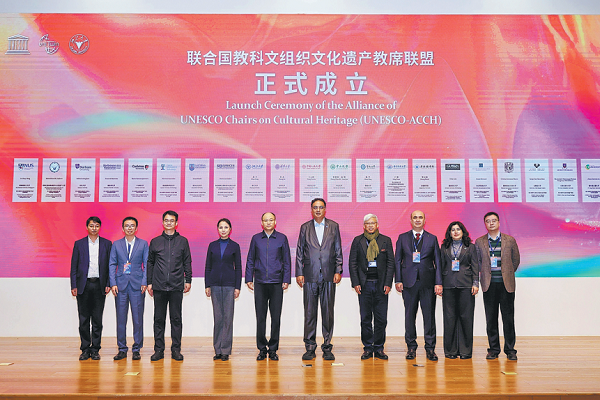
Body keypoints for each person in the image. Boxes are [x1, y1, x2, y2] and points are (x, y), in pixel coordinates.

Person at [296, 198, 343, 361]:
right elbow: (300, 251)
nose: (318, 210)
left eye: (321, 207)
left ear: (325, 209)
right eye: (315, 207)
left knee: (328, 313)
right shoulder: (305, 227)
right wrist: (299, 272)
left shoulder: (334, 226)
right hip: (310, 275)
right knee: (310, 313)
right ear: (311, 210)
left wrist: (338, 270)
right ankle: (310, 348)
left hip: (329, 275)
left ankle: (327, 347)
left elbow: (338, 249)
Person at [395, 210, 442, 361]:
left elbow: (438, 262)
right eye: (415, 217)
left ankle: (430, 349)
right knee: (410, 316)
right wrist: (398, 280)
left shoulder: (432, 238)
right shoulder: (402, 238)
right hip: (408, 283)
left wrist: (438, 282)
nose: (417, 220)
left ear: (424, 220)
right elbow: (397, 260)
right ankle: (411, 347)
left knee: (429, 317)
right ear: (410, 220)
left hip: (428, 283)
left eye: (420, 217)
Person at [245, 212, 291, 361]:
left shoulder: (282, 238)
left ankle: (273, 349)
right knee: (261, 317)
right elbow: (250, 259)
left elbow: (287, 260)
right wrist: (248, 278)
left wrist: (286, 279)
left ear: (275, 222)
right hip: (260, 283)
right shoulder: (256, 239)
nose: (268, 222)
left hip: (276, 282)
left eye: (271, 220)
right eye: (266, 220)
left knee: (275, 318)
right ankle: (261, 349)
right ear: (262, 223)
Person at [475, 212, 520, 361]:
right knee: (491, 319)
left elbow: (515, 260)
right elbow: (477, 262)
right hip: (489, 285)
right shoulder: (479, 242)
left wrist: (506, 272)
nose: (491, 223)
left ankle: (510, 350)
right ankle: (493, 349)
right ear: (485, 224)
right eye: (488, 221)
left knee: (508, 319)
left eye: (494, 220)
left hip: (506, 285)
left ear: (499, 222)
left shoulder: (510, 240)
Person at [147, 210, 192, 362]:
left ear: (176, 223)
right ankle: (158, 350)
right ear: (163, 222)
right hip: (159, 286)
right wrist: (149, 282)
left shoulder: (183, 241)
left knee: (176, 319)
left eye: (172, 220)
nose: (169, 223)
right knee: (159, 320)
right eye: (166, 220)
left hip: (176, 286)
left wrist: (188, 280)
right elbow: (150, 262)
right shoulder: (155, 241)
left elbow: (187, 262)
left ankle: (176, 350)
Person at [348, 214, 395, 360]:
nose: (370, 225)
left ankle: (379, 348)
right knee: (365, 319)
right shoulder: (358, 241)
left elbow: (390, 263)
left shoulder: (385, 240)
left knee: (381, 319)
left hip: (381, 285)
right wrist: (356, 283)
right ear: (364, 226)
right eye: (368, 223)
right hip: (364, 285)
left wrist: (388, 283)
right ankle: (368, 348)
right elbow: (353, 263)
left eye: (373, 223)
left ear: (377, 225)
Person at [70, 216, 112, 360]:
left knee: (97, 319)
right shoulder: (79, 244)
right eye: (92, 225)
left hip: (99, 285)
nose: (94, 228)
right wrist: (74, 285)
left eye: (97, 226)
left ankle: (95, 349)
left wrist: (108, 283)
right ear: (87, 227)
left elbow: (110, 266)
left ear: (100, 227)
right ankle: (85, 349)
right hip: (83, 285)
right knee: (83, 319)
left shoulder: (107, 244)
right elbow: (74, 266)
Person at [109, 216, 149, 361]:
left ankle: (137, 348)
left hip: (138, 286)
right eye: (127, 225)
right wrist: (113, 283)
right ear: (123, 228)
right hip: (120, 286)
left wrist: (144, 282)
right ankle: (122, 348)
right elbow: (112, 264)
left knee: (137, 319)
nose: (129, 228)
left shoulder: (143, 244)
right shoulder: (116, 244)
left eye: (132, 225)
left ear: (136, 228)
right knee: (121, 319)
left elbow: (147, 264)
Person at [440, 221, 480, 359]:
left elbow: (475, 265)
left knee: (466, 317)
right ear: (449, 233)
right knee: (449, 318)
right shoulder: (444, 247)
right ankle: (450, 351)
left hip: (466, 285)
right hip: (448, 285)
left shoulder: (471, 247)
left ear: (463, 232)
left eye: (458, 229)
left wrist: (475, 283)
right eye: (453, 230)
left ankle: (465, 351)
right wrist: (439, 283)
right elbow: (440, 266)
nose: (456, 232)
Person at [205, 218, 242, 361]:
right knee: (218, 318)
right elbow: (208, 266)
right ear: (217, 229)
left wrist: (237, 287)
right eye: (221, 227)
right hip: (214, 285)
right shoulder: (212, 245)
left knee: (227, 318)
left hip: (229, 285)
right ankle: (218, 350)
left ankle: (225, 350)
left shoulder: (235, 246)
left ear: (230, 229)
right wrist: (207, 285)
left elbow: (238, 268)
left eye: (226, 227)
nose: (223, 230)